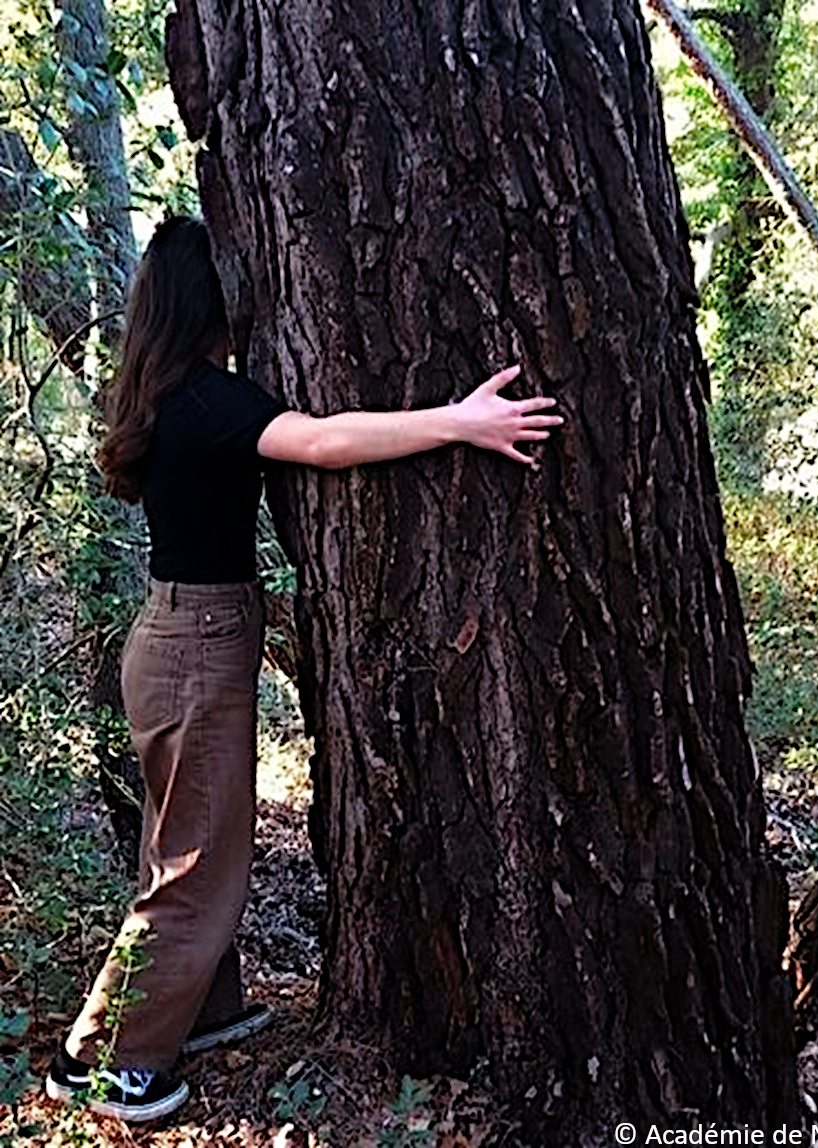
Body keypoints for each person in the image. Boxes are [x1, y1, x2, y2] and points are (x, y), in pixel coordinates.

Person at [45, 215, 563, 1122]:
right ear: (215, 303)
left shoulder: (166, 396)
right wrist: (461, 422)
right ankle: (118, 1062)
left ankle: (190, 1011)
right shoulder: (208, 401)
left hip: (171, 639)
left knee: (177, 851)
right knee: (200, 863)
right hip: (195, 647)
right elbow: (323, 441)